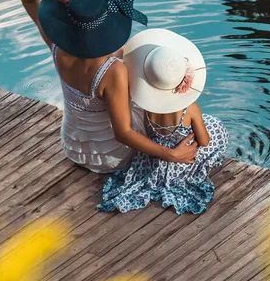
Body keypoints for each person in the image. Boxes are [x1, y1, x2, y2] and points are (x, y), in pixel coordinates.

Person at [18, 0, 198, 173]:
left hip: (73, 147)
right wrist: (171, 155)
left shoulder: (56, 46)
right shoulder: (113, 72)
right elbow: (122, 133)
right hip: (110, 157)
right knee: (154, 86)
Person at [98, 28, 228, 214]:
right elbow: (204, 141)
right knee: (215, 126)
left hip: (153, 157)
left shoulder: (147, 106)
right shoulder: (190, 108)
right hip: (181, 159)